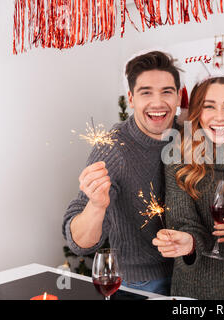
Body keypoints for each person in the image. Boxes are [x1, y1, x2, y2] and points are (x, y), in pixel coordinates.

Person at [62, 51, 183, 295]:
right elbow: (79, 244)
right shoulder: (112, 149)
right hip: (139, 285)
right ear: (131, 98)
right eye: (146, 92)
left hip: (189, 275)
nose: (158, 102)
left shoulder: (190, 136)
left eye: (167, 92)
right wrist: (96, 206)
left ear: (179, 96)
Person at [152, 76, 224, 299]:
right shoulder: (177, 157)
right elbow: (182, 220)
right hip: (193, 288)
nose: (219, 116)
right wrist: (188, 242)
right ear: (197, 111)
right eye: (209, 106)